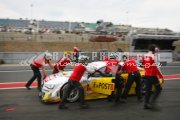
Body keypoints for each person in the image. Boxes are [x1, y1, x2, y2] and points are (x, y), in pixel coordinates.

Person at [142, 44, 164, 109]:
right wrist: (161, 76)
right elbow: (157, 67)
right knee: (159, 89)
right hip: (153, 76)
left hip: (147, 75)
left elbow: (143, 65)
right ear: (154, 49)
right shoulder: (154, 56)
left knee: (148, 90)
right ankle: (152, 103)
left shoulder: (144, 56)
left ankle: (146, 104)